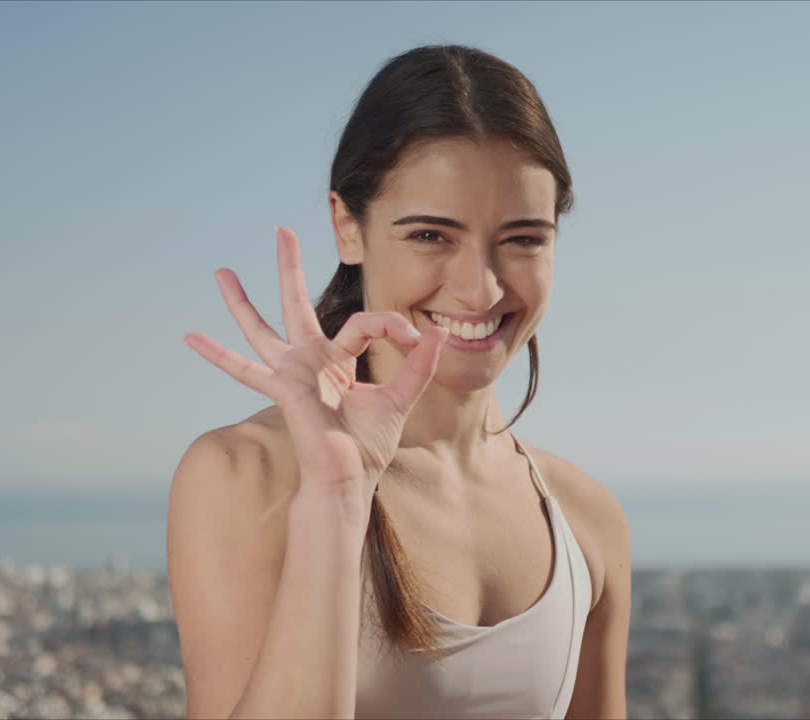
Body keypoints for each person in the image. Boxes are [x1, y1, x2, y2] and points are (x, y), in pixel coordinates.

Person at [168, 44, 630, 720]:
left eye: (524, 239)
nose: (481, 289)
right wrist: (334, 499)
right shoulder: (246, 477)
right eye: (431, 236)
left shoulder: (587, 518)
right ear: (347, 227)